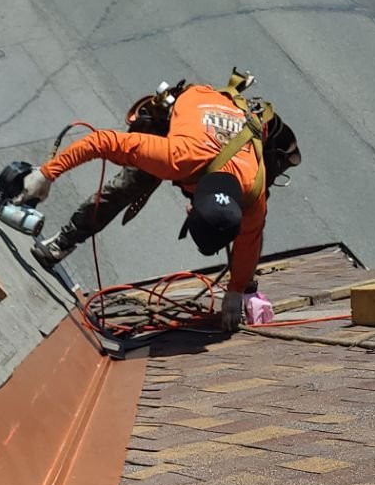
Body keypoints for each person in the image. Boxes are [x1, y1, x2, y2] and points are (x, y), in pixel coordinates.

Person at [20, 75, 300, 330]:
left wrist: (237, 291)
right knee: (128, 185)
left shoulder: (253, 196)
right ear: (191, 206)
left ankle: (243, 283)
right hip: (197, 110)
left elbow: (248, 243)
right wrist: (46, 174)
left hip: (233, 138)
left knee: (242, 229)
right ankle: (62, 243)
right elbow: (102, 141)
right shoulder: (175, 157)